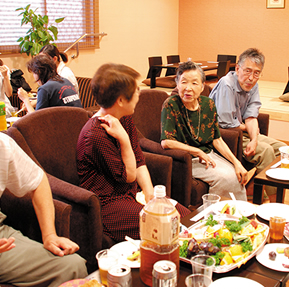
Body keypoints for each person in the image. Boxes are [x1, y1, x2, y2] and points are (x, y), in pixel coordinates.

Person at [76, 63, 190, 242]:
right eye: (136, 90)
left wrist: (150, 193)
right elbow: (129, 175)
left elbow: (138, 158)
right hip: (108, 204)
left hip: (131, 194)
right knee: (164, 227)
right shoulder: (95, 135)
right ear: (121, 100)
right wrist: (124, 139)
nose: (139, 93)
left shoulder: (123, 117)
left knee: (184, 216)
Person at [0, 133, 87, 286]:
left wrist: (49, 235)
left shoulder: (3, 145)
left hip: (3, 238)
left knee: (73, 267)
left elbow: (38, 181)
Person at [161, 61, 247, 201]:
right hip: (188, 160)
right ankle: (211, 215)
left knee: (236, 175)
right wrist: (197, 151)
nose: (188, 88)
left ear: (202, 87)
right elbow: (166, 142)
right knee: (226, 178)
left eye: (194, 83)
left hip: (208, 156)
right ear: (177, 84)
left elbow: (217, 139)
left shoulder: (208, 104)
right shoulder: (171, 104)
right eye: (184, 82)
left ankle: (236, 216)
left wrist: (237, 162)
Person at [209, 48, 286, 202]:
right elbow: (226, 123)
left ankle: (258, 189)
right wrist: (248, 129)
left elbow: (251, 117)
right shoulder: (226, 84)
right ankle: (269, 202)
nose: (251, 77)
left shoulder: (252, 85)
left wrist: (254, 140)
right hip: (226, 134)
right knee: (266, 151)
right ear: (237, 69)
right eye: (247, 71)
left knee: (282, 149)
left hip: (239, 129)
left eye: (256, 73)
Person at [17, 54, 82, 113]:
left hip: (64, 125)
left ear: (38, 72)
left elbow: (36, 120)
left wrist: (25, 100)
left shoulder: (45, 89)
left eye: (33, 73)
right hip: (79, 122)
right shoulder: (65, 81)